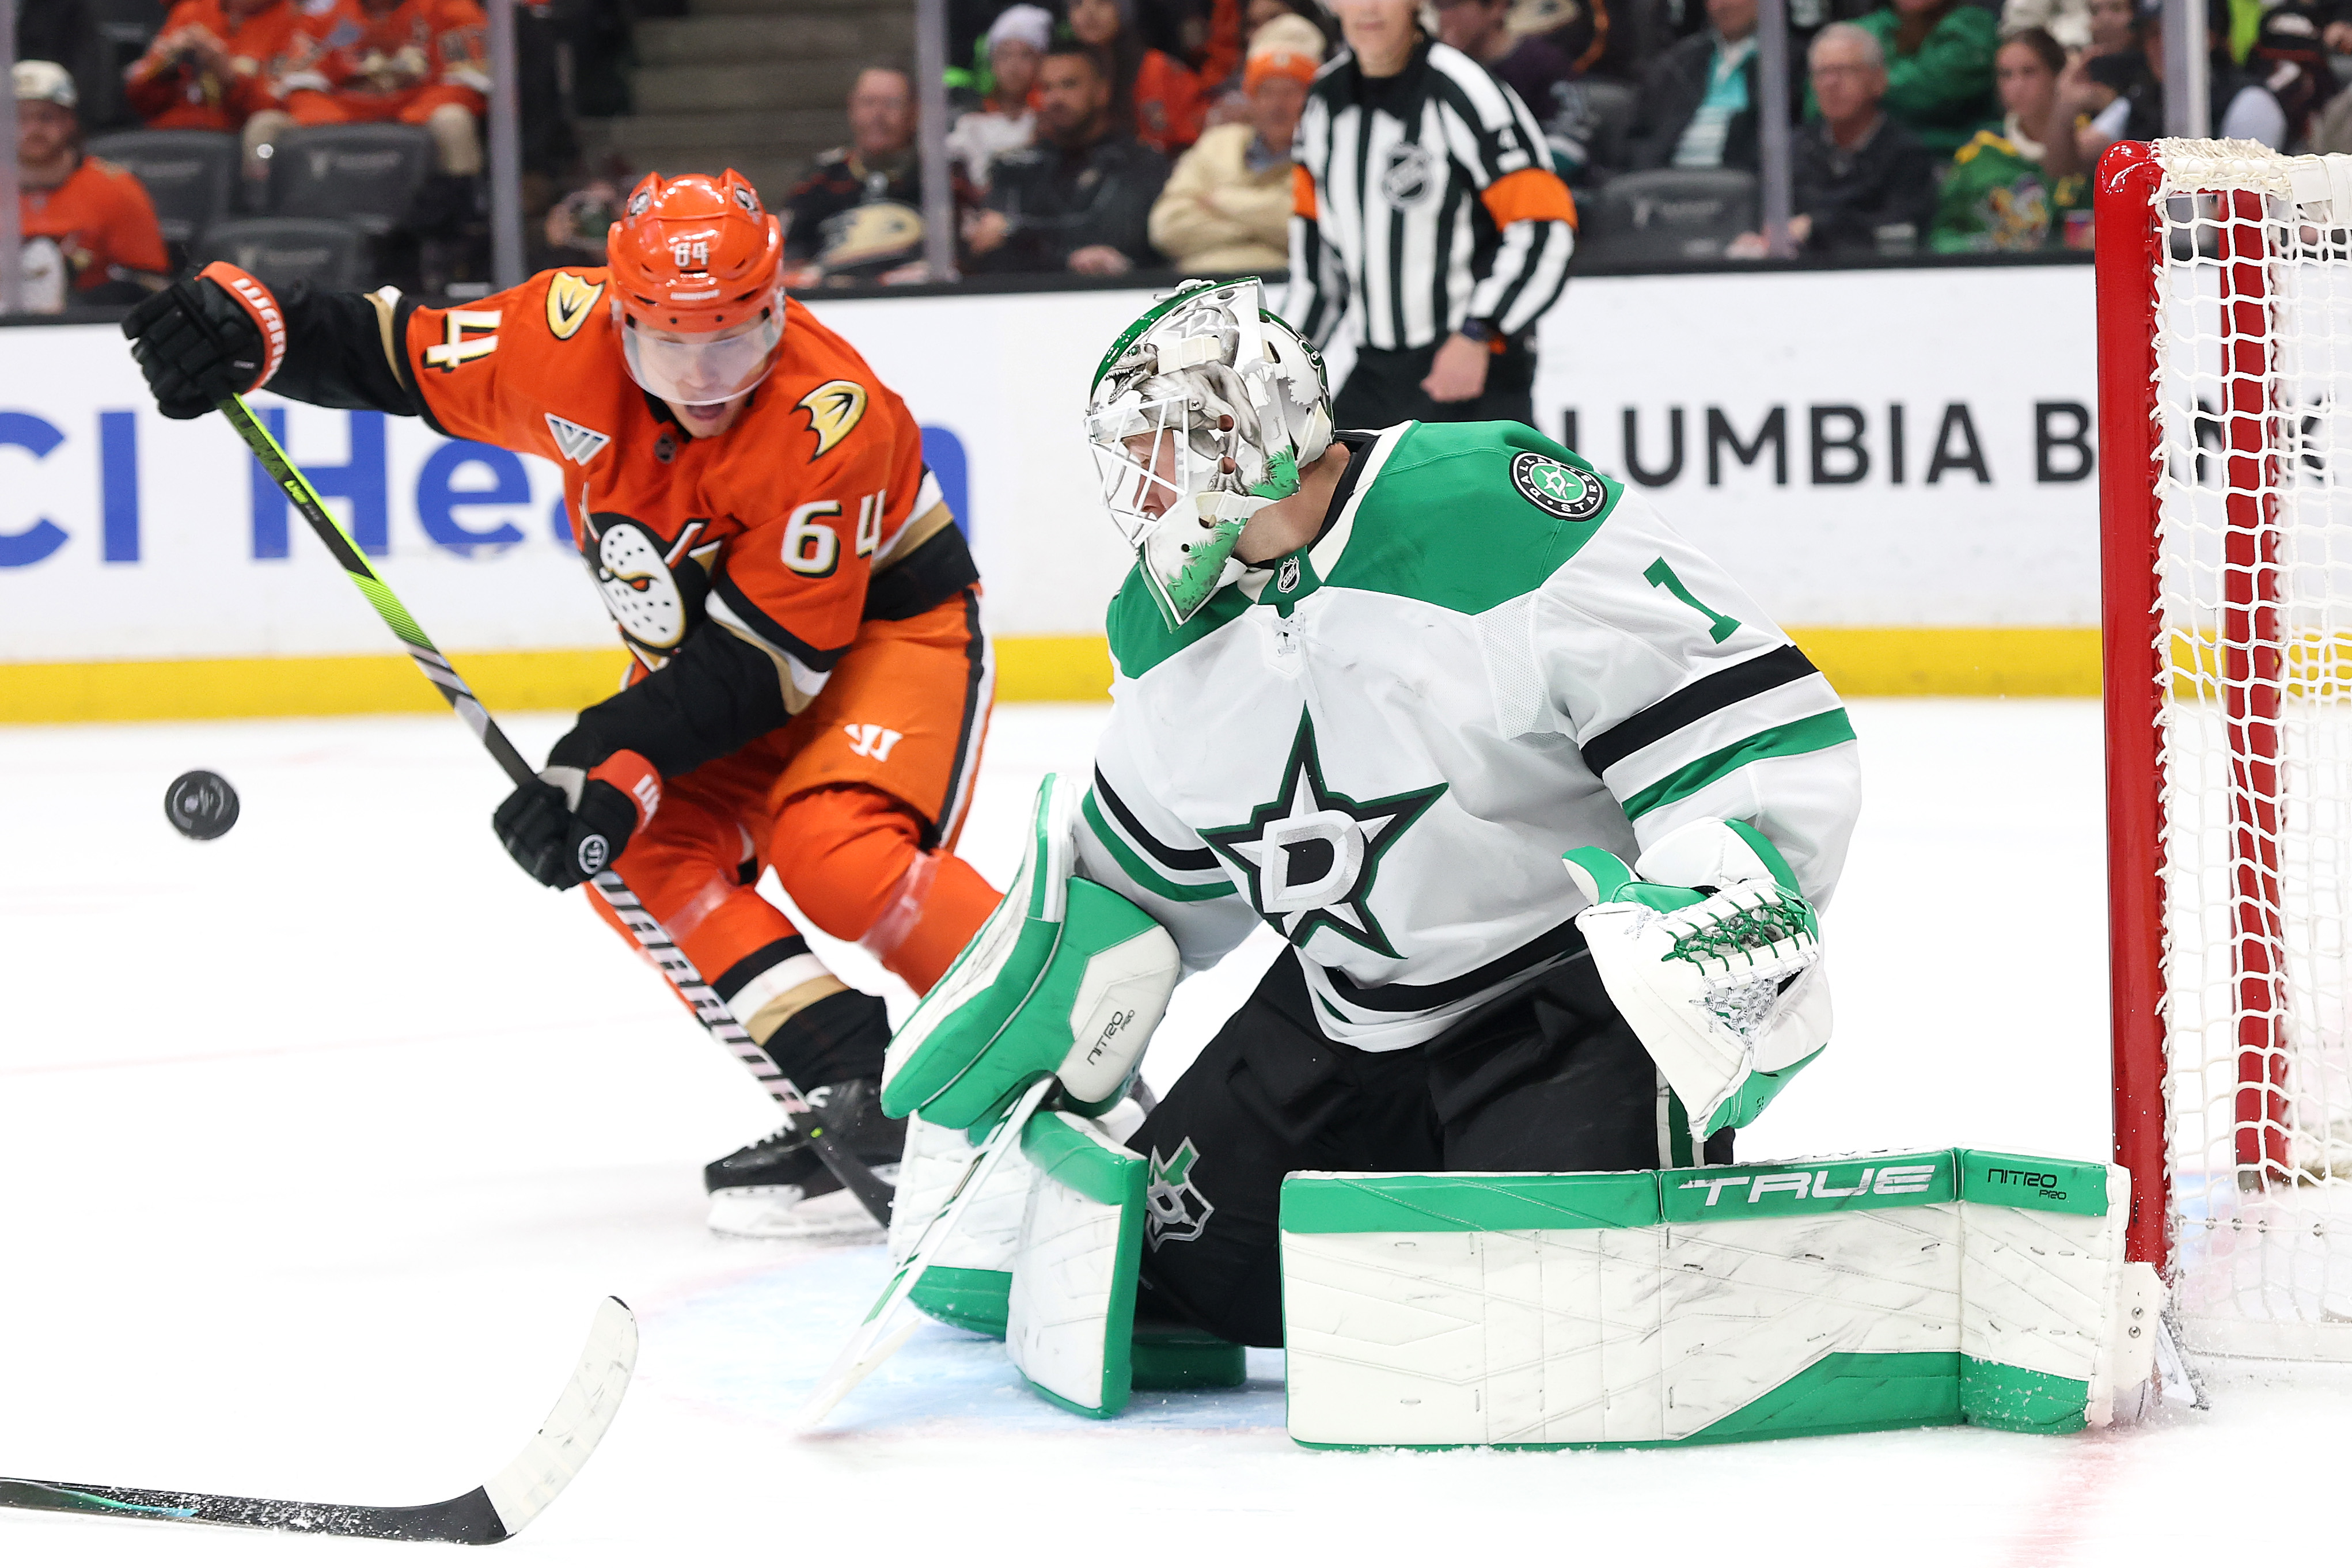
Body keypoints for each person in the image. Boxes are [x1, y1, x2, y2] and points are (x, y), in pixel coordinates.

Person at [894, 276, 1858, 1353]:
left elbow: (1741, 729)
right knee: (1178, 1275)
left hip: (1560, 998)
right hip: (1340, 1014)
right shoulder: (1166, 629)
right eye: (1131, 459)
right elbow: (1149, 872)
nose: (1145, 487)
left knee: (1547, 1324)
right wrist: (1060, 974)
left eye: (1165, 447)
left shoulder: (1484, 510)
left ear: (1251, 430)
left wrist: (1722, 902)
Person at [119, 170, 1002, 1239]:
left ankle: (1042, 1040)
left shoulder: (831, 419)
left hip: (880, 640)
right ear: (619, 313)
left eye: (731, 340)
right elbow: (396, 352)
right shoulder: (557, 332)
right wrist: (253, 326)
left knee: (835, 851)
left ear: (776, 305)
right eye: (670, 345)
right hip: (724, 660)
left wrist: (604, 748)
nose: (704, 378)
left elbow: (772, 669)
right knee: (632, 847)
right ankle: (853, 1087)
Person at [1286, 0, 1577, 429]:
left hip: (1473, 371)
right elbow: (1317, 273)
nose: (1368, 7)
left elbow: (1545, 227)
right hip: (1375, 371)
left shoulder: (1464, 89)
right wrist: (1277, 367)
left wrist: (1481, 332)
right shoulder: (1324, 103)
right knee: (1313, 487)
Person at [965, 43, 1171, 274]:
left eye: (1070, 85)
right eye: (1047, 88)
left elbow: (1120, 236)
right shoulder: (1015, 166)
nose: (1055, 98)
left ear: (1101, 92)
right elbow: (988, 243)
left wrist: (1016, 232)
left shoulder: (1139, 162)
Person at [1735, 23, 1933, 255]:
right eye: (1821, 73)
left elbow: (1900, 230)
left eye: (1845, 71)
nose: (1830, 83)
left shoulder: (1907, 154)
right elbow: (1762, 219)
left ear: (1878, 80)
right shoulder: (1792, 151)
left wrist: (1816, 227)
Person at [251, 0, 490, 177]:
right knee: (264, 126)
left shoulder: (448, 6)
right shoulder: (329, 11)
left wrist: (409, 117)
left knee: (454, 122)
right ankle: (261, 218)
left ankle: (464, 225)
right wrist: (328, 117)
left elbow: (470, 82)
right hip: (345, 111)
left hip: (419, 108)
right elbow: (298, 81)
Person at [1147, 25, 1315, 273]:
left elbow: (1307, 233)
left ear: (1311, 99)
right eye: (1266, 91)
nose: (1277, 106)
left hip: (1279, 286)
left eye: (1291, 92)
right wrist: (1265, 226)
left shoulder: (1320, 156)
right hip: (1200, 291)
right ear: (1250, 98)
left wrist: (1221, 201)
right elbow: (1166, 226)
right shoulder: (1217, 144)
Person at [14, 60, 168, 310]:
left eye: (46, 117)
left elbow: (149, 284)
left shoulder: (117, 187)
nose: (33, 129)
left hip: (87, 328)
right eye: (20, 118)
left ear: (69, 121)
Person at [1930, 28, 2088, 252]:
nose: (2017, 86)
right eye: (2006, 75)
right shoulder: (1979, 154)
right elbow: (1942, 236)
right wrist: (1987, 247)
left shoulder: (2092, 143)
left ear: (2058, 76)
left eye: (2029, 72)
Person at [783, 65, 930, 285]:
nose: (878, 116)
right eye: (868, 103)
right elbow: (791, 255)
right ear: (852, 108)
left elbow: (968, 253)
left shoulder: (939, 177)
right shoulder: (821, 179)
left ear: (914, 112)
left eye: (892, 104)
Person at [1625, 0, 1765, 170]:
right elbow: (1640, 137)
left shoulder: (1788, 64)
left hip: (1743, 184)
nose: (1721, 5)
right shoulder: (1677, 63)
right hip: (1668, 182)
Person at [1846, 0, 1997, 156]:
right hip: (1871, 159)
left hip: (1952, 159)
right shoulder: (1870, 26)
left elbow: (1927, 89)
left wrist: (1861, 82)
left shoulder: (1973, 27)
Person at [123, 0, 299, 133]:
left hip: (242, 137)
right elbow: (139, 99)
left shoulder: (296, 18)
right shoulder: (193, 10)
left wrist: (228, 74)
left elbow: (286, 111)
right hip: (174, 132)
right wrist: (166, 68)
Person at [1067, 0, 1206, 155]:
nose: (1089, 13)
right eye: (1077, 4)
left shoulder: (1158, 68)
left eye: (1103, 2)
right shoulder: (1061, 73)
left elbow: (1192, 139)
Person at [947, 5, 1050, 192]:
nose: (1014, 66)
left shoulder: (1051, 119)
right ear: (992, 62)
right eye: (1004, 55)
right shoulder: (969, 118)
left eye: (1025, 55)